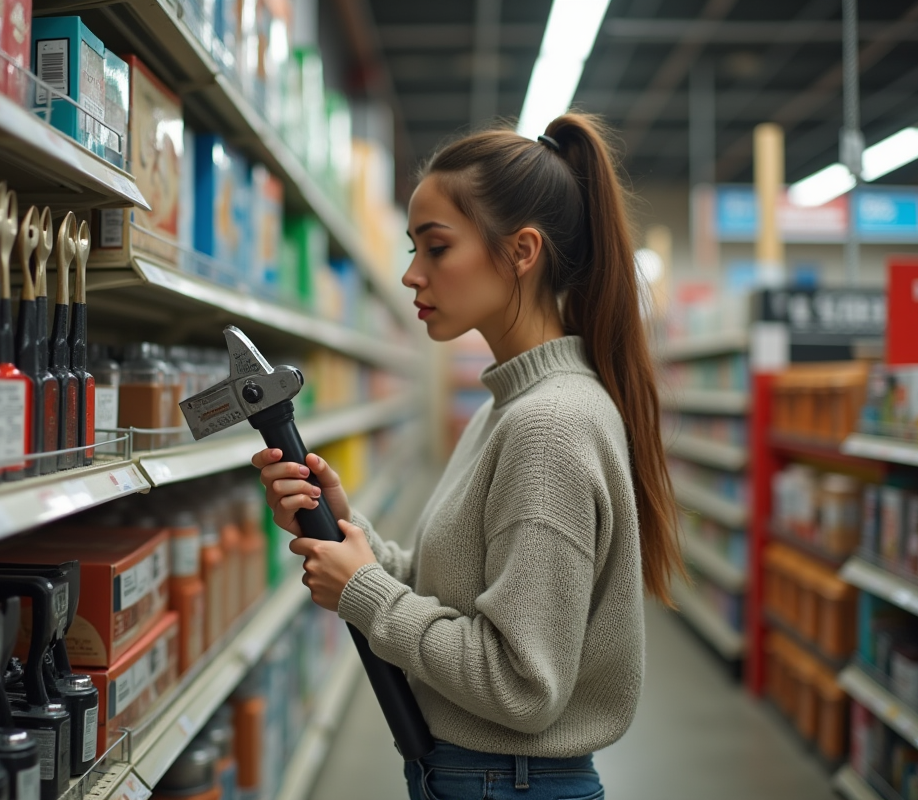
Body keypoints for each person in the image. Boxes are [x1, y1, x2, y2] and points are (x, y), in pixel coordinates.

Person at [251, 112, 684, 800]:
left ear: (521, 251)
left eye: (436, 248)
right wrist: (343, 530)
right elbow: (456, 598)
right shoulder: (506, 408)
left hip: (506, 782)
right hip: (482, 775)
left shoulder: (549, 426)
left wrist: (365, 593)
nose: (410, 275)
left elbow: (521, 685)